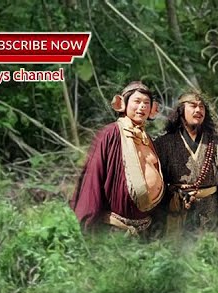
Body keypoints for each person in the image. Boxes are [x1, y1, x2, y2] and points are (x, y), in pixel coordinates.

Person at [70, 81, 166, 236]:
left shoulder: (147, 139)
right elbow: (93, 177)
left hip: (147, 230)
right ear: (122, 104)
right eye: (137, 101)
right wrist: (88, 222)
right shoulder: (110, 134)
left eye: (146, 103)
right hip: (116, 231)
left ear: (152, 110)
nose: (142, 106)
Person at [154, 90, 218, 238]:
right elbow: (158, 186)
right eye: (193, 105)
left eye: (202, 107)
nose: (198, 110)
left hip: (210, 214)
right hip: (176, 213)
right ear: (181, 110)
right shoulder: (164, 144)